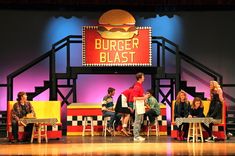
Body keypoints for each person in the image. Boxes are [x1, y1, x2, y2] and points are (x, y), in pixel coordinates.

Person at [132, 72, 148, 141]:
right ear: (140, 78)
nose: (144, 78)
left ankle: (137, 135)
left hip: (140, 105)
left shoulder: (140, 85)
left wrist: (144, 96)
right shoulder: (137, 86)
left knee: (140, 121)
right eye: (143, 76)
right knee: (137, 121)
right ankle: (136, 136)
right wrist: (144, 98)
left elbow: (139, 95)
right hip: (138, 105)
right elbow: (135, 98)